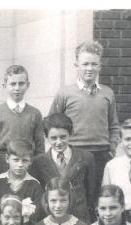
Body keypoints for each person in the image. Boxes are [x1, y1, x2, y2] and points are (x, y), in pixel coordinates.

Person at [49, 40, 119, 196]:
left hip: (101, 154)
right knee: (75, 196)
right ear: (76, 65)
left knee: (98, 196)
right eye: (85, 64)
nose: (89, 68)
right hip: (75, 154)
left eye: (94, 64)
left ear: (100, 66)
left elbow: (114, 125)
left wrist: (112, 149)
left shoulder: (107, 93)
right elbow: (51, 124)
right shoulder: (65, 93)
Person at [29, 113, 95, 223]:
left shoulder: (86, 157)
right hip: (51, 219)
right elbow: (39, 195)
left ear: (71, 133)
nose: (59, 142)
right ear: (46, 137)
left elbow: (91, 191)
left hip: (80, 218)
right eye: (53, 138)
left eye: (63, 137)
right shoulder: (38, 162)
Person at [0, 65, 45, 177]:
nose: (17, 88)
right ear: (4, 86)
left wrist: (36, 169)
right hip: (3, 164)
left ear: (28, 85)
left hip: (26, 164)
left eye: (21, 83)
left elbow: (40, 147)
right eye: (12, 84)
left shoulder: (35, 113)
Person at [0, 140, 44, 224]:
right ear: (7, 159)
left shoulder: (34, 185)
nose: (20, 165)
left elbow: (36, 216)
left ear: (30, 161)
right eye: (16, 160)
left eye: (24, 161)